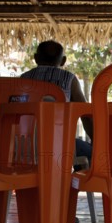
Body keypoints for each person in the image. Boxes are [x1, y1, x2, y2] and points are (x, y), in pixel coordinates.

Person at [21, 40, 94, 170]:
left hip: (26, 148)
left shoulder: (23, 79)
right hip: (60, 150)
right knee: (92, 153)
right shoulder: (69, 79)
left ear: (36, 58)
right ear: (63, 61)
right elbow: (86, 116)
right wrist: (97, 140)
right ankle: (69, 187)